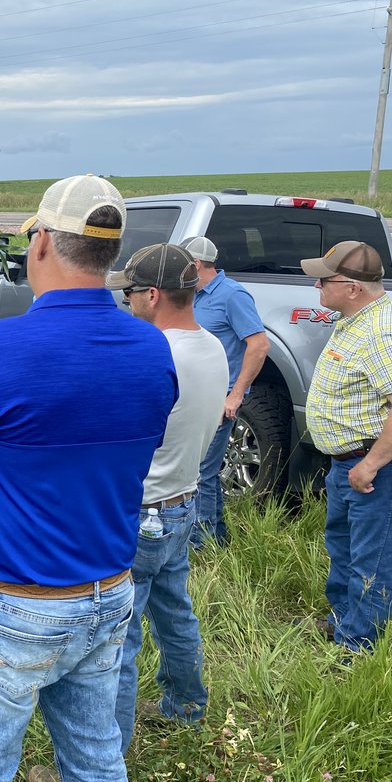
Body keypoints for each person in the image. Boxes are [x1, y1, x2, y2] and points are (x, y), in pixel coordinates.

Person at [0, 175, 178, 782]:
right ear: (109, 256)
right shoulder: (153, 351)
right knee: (97, 774)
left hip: (7, 607)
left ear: (40, 245)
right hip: (105, 597)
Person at [105, 244, 228, 752]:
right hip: (184, 501)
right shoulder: (213, 346)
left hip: (141, 510)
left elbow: (121, 437)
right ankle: (186, 703)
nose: (128, 303)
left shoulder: (155, 356)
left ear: (152, 295)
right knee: (175, 610)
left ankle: (108, 750)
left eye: (131, 294)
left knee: (119, 636)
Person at [301, 240, 392, 652]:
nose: (317, 287)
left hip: (371, 468)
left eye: (324, 280)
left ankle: (358, 646)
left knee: (371, 559)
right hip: (346, 464)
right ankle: (343, 619)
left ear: (353, 286)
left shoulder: (381, 331)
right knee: (342, 544)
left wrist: (371, 464)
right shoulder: (354, 319)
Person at [183, 236, 269, 546]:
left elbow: (258, 345)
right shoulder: (193, 294)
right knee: (204, 472)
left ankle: (201, 544)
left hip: (219, 401)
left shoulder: (232, 295)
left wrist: (235, 395)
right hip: (196, 399)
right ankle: (216, 538)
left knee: (201, 472)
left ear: (195, 265)